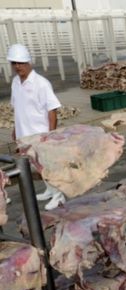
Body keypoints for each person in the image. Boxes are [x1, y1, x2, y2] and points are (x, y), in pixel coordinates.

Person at [8, 44, 65, 210]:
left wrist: (50, 134)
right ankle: (49, 190)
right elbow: (17, 107)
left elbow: (52, 110)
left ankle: (58, 195)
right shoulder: (15, 83)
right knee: (37, 166)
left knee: (47, 165)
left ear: (28, 62)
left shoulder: (41, 83)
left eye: (21, 63)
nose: (17, 66)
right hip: (24, 134)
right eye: (14, 63)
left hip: (39, 133)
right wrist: (15, 129)